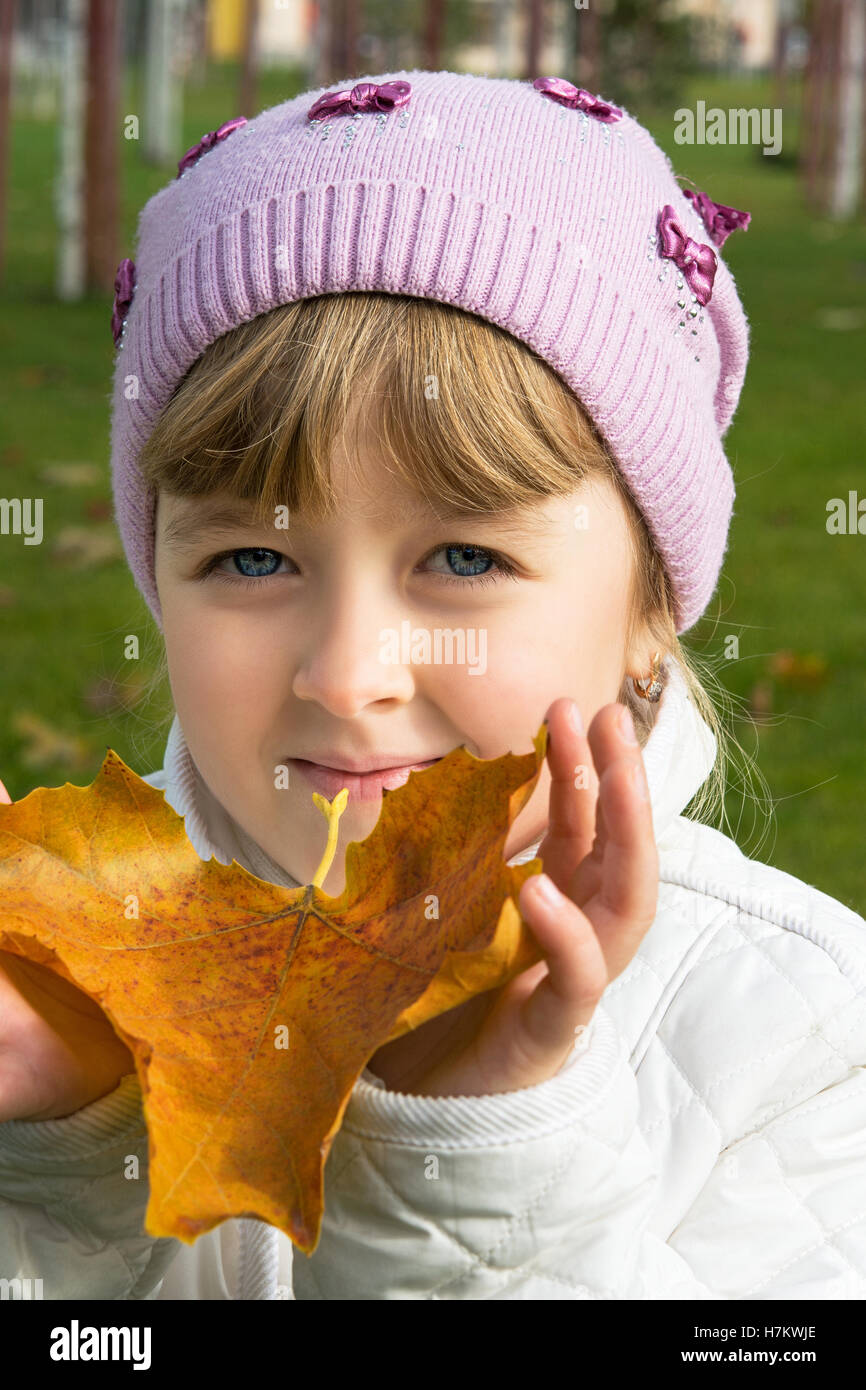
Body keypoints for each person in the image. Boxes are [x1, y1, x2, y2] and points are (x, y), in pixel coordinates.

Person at [1, 69, 864, 1301]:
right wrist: (75, 1161)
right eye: (253, 557)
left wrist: (476, 1161)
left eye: (465, 557)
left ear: (649, 611)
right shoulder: (60, 964)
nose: (350, 677)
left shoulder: (803, 1037)